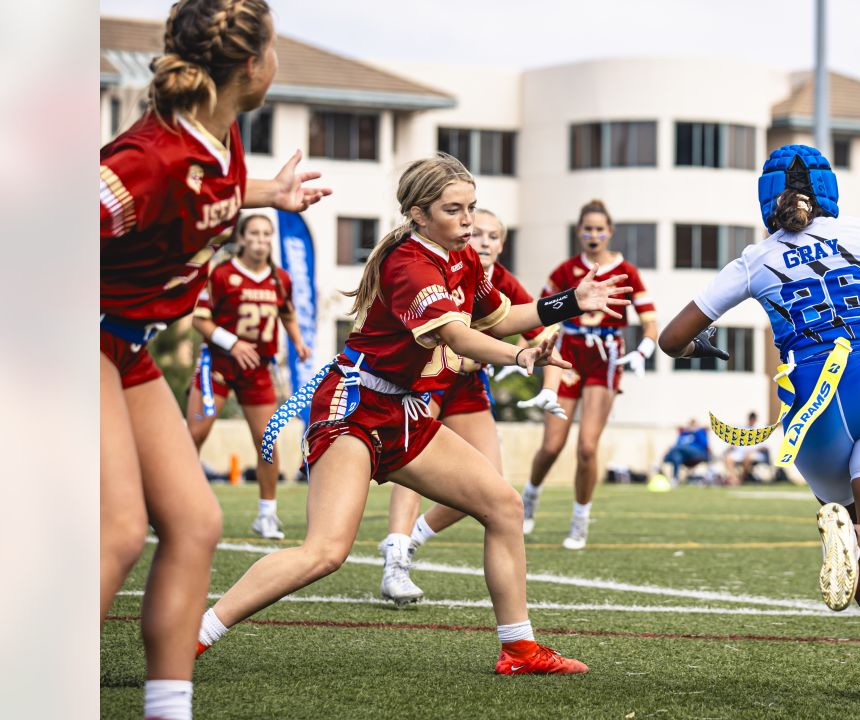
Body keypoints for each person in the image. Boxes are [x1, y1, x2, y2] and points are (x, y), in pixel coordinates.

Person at [194, 154, 630, 675]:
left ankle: (519, 650)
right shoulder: (409, 262)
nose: (469, 220)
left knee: (503, 506)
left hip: (400, 407)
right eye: (455, 210)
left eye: (472, 207)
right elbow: (457, 335)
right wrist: (519, 355)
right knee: (325, 553)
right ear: (420, 215)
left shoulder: (463, 258)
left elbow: (502, 317)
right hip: (353, 405)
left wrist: (570, 302)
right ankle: (192, 634)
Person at [659, 145, 860, 699]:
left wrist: (705, 350)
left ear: (765, 197)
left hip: (809, 405)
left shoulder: (754, 260)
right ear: (829, 189)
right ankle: (856, 545)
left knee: (856, 539)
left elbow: (671, 340)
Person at [100, 1, 330, 717]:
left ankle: (169, 708)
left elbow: (203, 191)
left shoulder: (217, 137)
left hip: (124, 346)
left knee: (196, 524)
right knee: (117, 529)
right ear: (254, 64)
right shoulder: (146, 159)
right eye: (275, 46)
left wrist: (266, 194)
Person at [377, 208, 566, 605]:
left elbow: (540, 334)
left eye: (491, 235)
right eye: (473, 229)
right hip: (424, 379)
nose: (480, 239)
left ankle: (412, 540)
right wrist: (501, 356)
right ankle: (394, 559)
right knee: (409, 469)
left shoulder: (497, 282)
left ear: (502, 244)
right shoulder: (429, 265)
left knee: (493, 488)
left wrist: (550, 386)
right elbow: (453, 339)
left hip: (464, 388)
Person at [520, 199, 658, 549]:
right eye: (588, 228)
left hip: (605, 357)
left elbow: (649, 318)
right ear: (579, 232)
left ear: (610, 232)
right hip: (569, 356)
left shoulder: (626, 270)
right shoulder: (565, 271)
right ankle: (530, 497)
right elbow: (539, 315)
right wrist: (534, 350)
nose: (594, 234)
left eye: (600, 228)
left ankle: (580, 520)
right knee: (552, 445)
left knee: (587, 447)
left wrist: (645, 347)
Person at [186, 214, 312, 540]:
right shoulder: (223, 274)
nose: (260, 239)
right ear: (241, 238)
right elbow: (200, 320)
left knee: (267, 441)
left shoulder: (280, 278)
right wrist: (233, 343)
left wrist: (298, 341)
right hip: (218, 365)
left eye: (266, 233)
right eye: (254, 233)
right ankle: (172, 508)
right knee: (194, 435)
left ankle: (267, 515)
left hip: (257, 370)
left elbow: (287, 313)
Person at [654, 418, 711, 486]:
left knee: (675, 448)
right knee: (676, 457)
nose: (692, 426)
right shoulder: (684, 434)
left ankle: (661, 462)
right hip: (684, 456)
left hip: (697, 452)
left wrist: (697, 432)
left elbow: (704, 444)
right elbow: (678, 443)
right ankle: (675, 480)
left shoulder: (700, 432)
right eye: (691, 424)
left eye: (694, 424)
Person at [723, 411, 768, 485]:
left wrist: (752, 450)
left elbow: (764, 446)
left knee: (748, 458)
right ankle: (734, 479)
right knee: (728, 458)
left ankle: (741, 479)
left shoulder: (761, 429)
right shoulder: (743, 429)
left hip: (754, 453)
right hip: (741, 452)